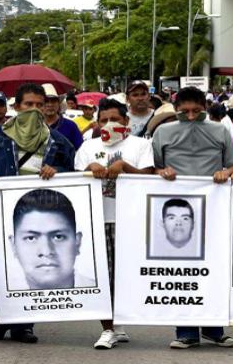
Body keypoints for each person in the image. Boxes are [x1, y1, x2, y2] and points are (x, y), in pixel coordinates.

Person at [0, 82, 76, 344]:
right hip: (2, 211)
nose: (34, 110)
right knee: (5, 268)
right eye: (28, 105)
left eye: (39, 105)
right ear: (16, 107)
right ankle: (2, 317)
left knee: (27, 269)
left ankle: (22, 324)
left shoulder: (58, 141)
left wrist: (58, 172)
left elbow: (76, 174)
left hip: (39, 215)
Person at [153, 86, 233, 350]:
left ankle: (215, 329)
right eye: (184, 112)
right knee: (182, 270)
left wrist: (227, 173)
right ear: (175, 107)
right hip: (177, 209)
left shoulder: (220, 131)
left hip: (213, 208)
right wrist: (162, 170)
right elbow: (153, 167)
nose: (190, 116)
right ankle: (186, 331)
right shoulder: (163, 132)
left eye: (196, 111)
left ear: (205, 107)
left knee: (214, 268)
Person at [74, 97, 154, 349]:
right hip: (97, 220)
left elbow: (148, 177)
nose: (109, 124)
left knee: (125, 276)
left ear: (126, 121)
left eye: (115, 120)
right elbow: (74, 182)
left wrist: (124, 166)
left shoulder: (141, 145)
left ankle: (118, 323)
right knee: (103, 277)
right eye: (104, 120)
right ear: (97, 122)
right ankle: (107, 329)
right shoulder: (88, 147)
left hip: (128, 221)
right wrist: (90, 166)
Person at [9, 189, 92, 289]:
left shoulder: (104, 294)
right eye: (31, 238)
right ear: (13, 246)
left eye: (58, 237)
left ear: (78, 242)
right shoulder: (5, 300)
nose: (46, 251)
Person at [42, 84, 83, 150]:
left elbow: (80, 150)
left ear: (59, 104)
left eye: (53, 101)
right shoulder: (33, 126)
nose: (50, 105)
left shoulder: (70, 126)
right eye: (46, 101)